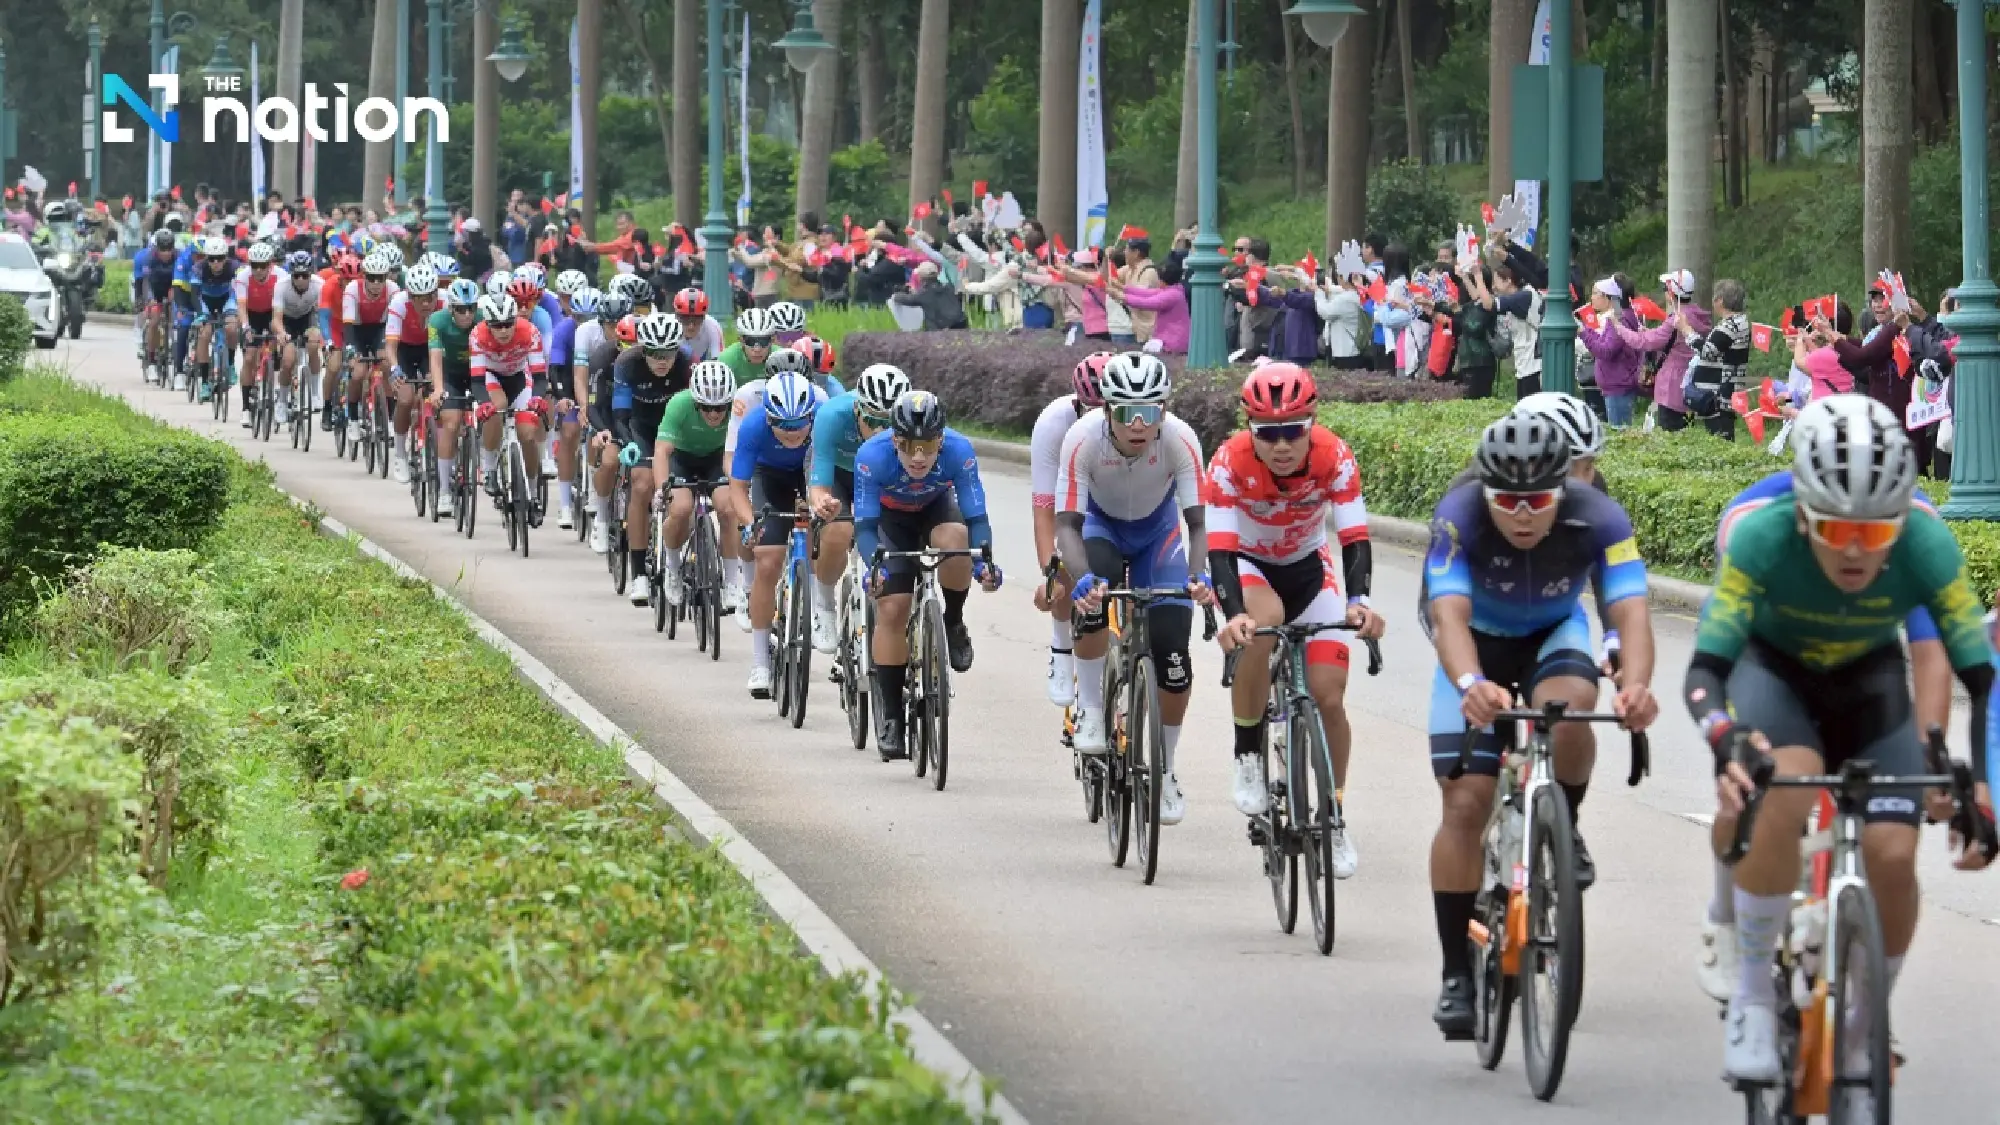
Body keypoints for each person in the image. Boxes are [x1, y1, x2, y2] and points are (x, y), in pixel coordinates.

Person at [1688, 396, 1994, 1110]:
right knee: (1781, 787)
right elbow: (1707, 668)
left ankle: (1863, 1030)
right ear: (1802, 512)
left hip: (1866, 679)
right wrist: (1724, 737)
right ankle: (1756, 994)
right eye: (1835, 529)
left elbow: (1963, 668)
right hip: (1772, 668)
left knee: (1893, 849)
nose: (1856, 547)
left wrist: (1966, 781)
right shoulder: (1756, 532)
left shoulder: (1922, 536)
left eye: (1874, 530)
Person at [1421, 409, 1658, 1038]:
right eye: (1508, 500)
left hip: (1553, 631)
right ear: (1485, 492)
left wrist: (1634, 685)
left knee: (1574, 703)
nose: (1522, 513)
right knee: (1465, 805)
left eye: (1538, 500)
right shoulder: (1459, 514)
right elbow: (1447, 616)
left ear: (1566, 490)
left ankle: (1562, 824)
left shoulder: (1600, 517)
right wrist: (1470, 685)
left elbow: (1630, 611)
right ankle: (1454, 972)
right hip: (1475, 641)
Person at [1208, 363, 1382, 867]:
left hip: (1309, 566)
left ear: (1311, 425)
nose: (1281, 445)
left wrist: (1359, 603)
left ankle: (1333, 816)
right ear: (1249, 429)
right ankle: (1247, 752)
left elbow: (1353, 537)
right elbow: (1219, 547)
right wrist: (1233, 614)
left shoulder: (1335, 456)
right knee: (1261, 625)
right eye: (1268, 433)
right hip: (1246, 563)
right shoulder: (1227, 462)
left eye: (1293, 432)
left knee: (1329, 696)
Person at [1056, 353, 1211, 824]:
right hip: (1100, 529)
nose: (1140, 424)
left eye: (1151, 411)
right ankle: (1090, 706)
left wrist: (1199, 575)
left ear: (1164, 409)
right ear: (1106, 411)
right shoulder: (1081, 439)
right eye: (1127, 413)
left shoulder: (1181, 439)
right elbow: (1067, 525)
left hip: (1157, 535)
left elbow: (1199, 524)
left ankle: (1165, 769)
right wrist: (1081, 579)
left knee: (1173, 654)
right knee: (1092, 601)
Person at [855, 389, 1002, 759]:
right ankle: (890, 715)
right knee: (892, 608)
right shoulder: (871, 457)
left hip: (936, 510)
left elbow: (976, 517)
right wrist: (874, 566)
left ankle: (952, 621)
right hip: (890, 523)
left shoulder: (959, 450)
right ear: (893, 439)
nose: (918, 457)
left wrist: (984, 563)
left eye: (927, 446)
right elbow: (866, 527)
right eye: (907, 445)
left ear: (941, 438)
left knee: (956, 538)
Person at [729, 371, 830, 696]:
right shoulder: (754, 426)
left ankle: (813, 604)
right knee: (768, 559)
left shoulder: (822, 423)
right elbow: (738, 487)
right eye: (783, 426)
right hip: (767, 476)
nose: (792, 433)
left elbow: (830, 475)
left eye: (799, 424)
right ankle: (760, 660)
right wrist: (749, 524)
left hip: (809, 470)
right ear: (768, 417)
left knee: (819, 526)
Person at [808, 362, 913, 653]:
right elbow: (820, 478)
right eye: (873, 419)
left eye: (889, 423)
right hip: (840, 474)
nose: (881, 429)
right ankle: (825, 602)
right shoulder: (832, 415)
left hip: (880, 475)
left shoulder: (910, 422)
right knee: (838, 530)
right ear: (857, 409)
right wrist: (820, 500)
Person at [1031, 353, 1112, 704]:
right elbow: (1045, 510)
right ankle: (1062, 647)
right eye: (1088, 412)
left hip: (1119, 501)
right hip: (1072, 500)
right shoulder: (1054, 424)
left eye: (1106, 411)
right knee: (1064, 563)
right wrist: (1050, 573)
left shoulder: (1139, 424)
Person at [608, 313, 693, 603]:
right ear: (643, 350)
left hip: (676, 429)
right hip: (641, 428)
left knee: (685, 489)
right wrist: (627, 443)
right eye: (654, 354)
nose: (661, 360)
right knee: (642, 484)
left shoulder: (686, 362)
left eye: (668, 353)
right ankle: (639, 574)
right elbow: (620, 414)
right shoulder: (627, 363)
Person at [653, 359, 743, 608]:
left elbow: (742, 453)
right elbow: (662, 451)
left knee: (728, 507)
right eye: (706, 407)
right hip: (682, 459)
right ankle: (672, 568)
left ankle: (732, 582)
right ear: (695, 401)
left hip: (717, 459)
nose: (714, 414)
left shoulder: (739, 409)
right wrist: (662, 489)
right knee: (680, 509)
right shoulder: (679, 404)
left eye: (720, 407)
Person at [469, 292, 549, 502]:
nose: (503, 330)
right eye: (496, 325)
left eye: (507, 324)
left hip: (520, 377)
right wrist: (484, 403)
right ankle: (489, 469)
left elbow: (540, 377)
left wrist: (538, 398)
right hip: (491, 376)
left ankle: (532, 492)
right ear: (487, 324)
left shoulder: (530, 331)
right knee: (496, 407)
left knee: (528, 435)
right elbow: (477, 381)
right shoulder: (477, 335)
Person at [425, 278, 484, 517]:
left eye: (471, 308)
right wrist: (438, 388)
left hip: (476, 372)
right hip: (449, 374)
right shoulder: (437, 320)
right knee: (450, 421)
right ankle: (445, 491)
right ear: (451, 308)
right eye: (461, 309)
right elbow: (435, 357)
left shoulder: (483, 319)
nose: (467, 314)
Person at [341, 250, 403, 445]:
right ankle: (352, 418)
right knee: (358, 373)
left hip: (380, 329)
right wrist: (351, 350)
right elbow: (348, 325)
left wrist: (391, 348)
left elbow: (394, 323)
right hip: (357, 330)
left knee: (386, 365)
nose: (377, 283)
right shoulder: (352, 288)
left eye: (381, 278)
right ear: (364, 276)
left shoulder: (393, 289)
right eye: (372, 278)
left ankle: (390, 418)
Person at [177, 235, 241, 401]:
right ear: (206, 258)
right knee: (204, 334)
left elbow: (240, 290)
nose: (216, 263)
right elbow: (194, 295)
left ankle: (231, 365)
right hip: (205, 301)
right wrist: (201, 315)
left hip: (227, 300)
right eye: (211, 259)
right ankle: (205, 381)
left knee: (231, 327)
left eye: (219, 259)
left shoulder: (234, 267)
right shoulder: (199, 268)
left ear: (225, 258)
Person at [673, 287, 725, 362]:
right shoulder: (669, 327)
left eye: (697, 320)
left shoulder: (713, 327)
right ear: (677, 317)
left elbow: (719, 362)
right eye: (685, 319)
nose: (691, 326)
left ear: (704, 317)